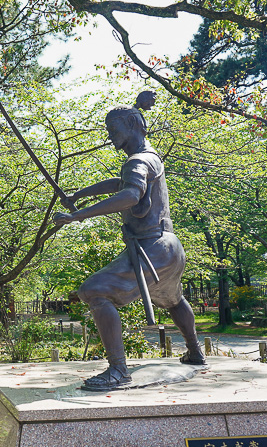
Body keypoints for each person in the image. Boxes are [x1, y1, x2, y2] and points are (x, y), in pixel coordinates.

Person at [53, 104, 205, 390]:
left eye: (114, 130)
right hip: (170, 248)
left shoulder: (138, 160)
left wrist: (77, 215)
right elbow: (120, 183)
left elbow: (130, 194)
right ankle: (195, 352)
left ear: (133, 124)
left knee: (94, 291)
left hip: (152, 248)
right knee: (173, 299)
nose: (111, 137)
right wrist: (81, 194)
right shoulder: (149, 158)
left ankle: (118, 370)